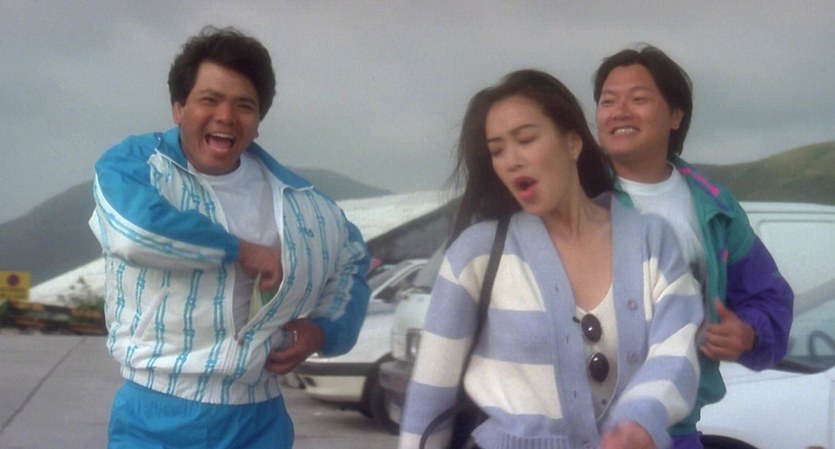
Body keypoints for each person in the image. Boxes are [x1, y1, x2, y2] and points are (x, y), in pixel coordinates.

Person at [88, 25, 370, 448]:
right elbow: (134, 233)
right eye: (210, 99)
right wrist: (240, 250)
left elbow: (352, 258)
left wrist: (323, 331)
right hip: (155, 415)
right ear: (178, 108)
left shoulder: (304, 204)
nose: (225, 116)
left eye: (244, 105)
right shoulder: (137, 167)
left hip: (259, 420)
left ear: (258, 123)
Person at [398, 69, 704, 449]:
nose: (511, 160)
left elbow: (676, 353)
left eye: (526, 140)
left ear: (572, 143)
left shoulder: (653, 242)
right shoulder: (475, 254)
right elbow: (430, 393)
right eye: (497, 150)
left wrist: (641, 420)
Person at [593, 44, 794, 449]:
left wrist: (748, 333)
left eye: (639, 99)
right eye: (608, 101)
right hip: (579, 431)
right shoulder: (575, 196)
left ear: (676, 116)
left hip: (675, 432)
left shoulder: (715, 208)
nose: (620, 112)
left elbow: (769, 298)